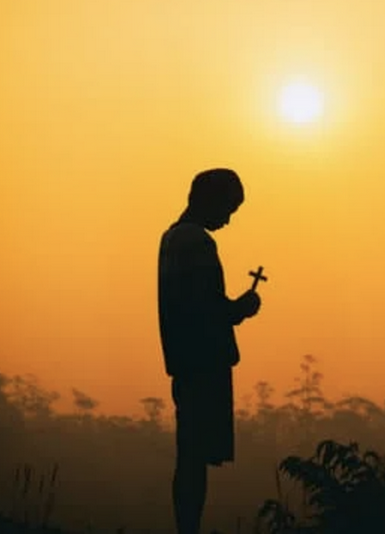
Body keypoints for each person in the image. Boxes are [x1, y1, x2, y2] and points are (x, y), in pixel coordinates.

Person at [157, 168, 262, 534]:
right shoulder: (197, 243)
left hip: (185, 362)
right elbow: (206, 308)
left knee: (190, 454)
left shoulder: (171, 238)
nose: (228, 220)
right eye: (227, 209)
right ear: (209, 200)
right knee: (194, 458)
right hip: (204, 364)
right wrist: (241, 308)